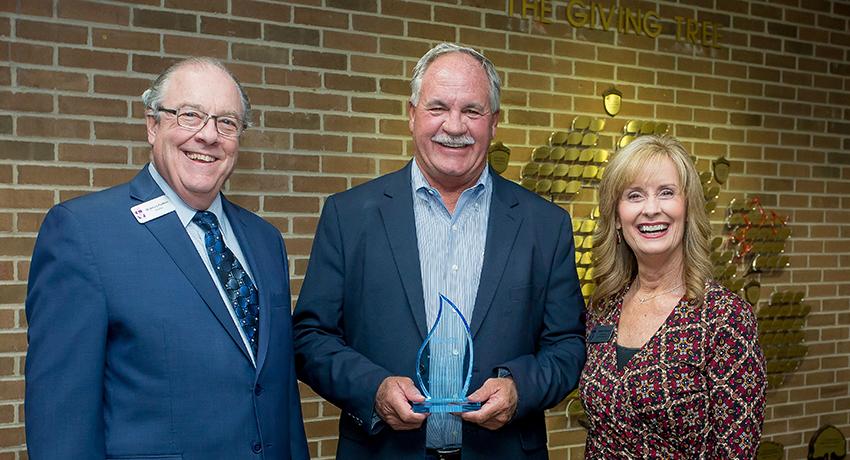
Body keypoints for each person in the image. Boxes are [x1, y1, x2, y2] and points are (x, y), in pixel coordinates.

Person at [292, 42, 586, 460]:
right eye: (438, 108)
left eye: (472, 110)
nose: (454, 125)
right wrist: (372, 389)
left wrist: (520, 389)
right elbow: (310, 337)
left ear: (494, 122)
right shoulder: (349, 215)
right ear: (411, 115)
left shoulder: (545, 225)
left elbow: (568, 344)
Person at [25, 57, 309, 460]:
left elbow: (277, 390)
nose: (209, 136)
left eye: (226, 122)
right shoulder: (83, 233)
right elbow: (61, 421)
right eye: (190, 115)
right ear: (152, 125)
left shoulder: (264, 240)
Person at [579, 135, 767, 458]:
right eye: (634, 195)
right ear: (617, 219)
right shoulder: (603, 309)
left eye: (666, 193)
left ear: (688, 208)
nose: (651, 209)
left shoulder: (724, 318)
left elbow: (733, 452)